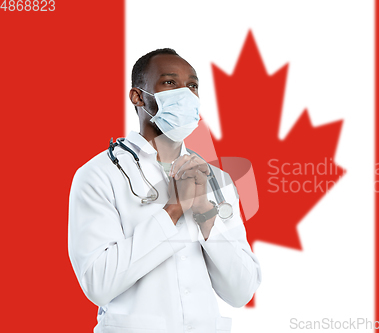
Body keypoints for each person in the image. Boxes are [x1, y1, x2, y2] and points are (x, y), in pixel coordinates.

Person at [68, 48, 261, 333]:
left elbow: (241, 292)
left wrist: (205, 215)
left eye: (192, 85)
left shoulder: (216, 180)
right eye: (169, 83)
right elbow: (98, 283)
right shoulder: (100, 174)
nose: (185, 94)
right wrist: (172, 211)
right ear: (138, 96)